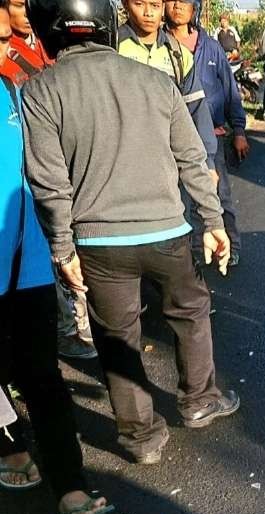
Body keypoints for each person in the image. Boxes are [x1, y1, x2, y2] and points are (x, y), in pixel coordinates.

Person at [22, 0, 240, 465]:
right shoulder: (156, 82)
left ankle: (140, 438)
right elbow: (192, 160)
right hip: (167, 232)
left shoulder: (41, 91)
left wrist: (62, 248)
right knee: (191, 311)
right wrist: (213, 221)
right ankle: (199, 399)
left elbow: (48, 180)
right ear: (107, 22)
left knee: (116, 334)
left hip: (99, 244)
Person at [1, 7, 114, 514]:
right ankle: (9, 450)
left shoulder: (22, 86)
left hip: (29, 267)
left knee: (42, 376)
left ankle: (70, 485)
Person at [166, 0, 248, 266]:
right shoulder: (160, 46)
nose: (177, 7)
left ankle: (230, 245)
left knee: (219, 193)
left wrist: (239, 131)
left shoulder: (211, 47)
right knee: (179, 201)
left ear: (195, 8)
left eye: (184, 2)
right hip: (170, 140)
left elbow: (231, 93)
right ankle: (189, 255)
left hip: (210, 136)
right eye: (171, 1)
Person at [116, 0, 217, 162]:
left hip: (167, 163)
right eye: (139, 4)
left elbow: (197, 110)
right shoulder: (111, 48)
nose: (148, 13)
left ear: (162, 6)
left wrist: (208, 162)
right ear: (125, 4)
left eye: (155, 5)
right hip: (119, 161)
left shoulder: (179, 56)